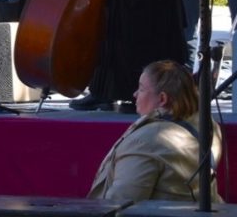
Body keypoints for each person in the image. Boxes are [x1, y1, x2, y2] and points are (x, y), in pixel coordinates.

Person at [88, 60, 222, 203]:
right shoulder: (208, 125)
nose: (135, 94)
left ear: (162, 99)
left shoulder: (147, 140)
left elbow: (120, 204)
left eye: (141, 89)